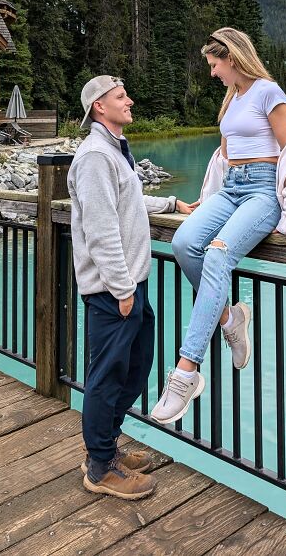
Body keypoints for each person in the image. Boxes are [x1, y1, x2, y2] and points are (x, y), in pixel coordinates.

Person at [151, 27, 286, 424]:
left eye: (214, 63)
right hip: (231, 191)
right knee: (185, 244)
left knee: (218, 255)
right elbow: (223, 158)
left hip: (261, 193)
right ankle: (229, 319)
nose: (212, 72)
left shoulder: (269, 93)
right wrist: (209, 198)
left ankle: (185, 374)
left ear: (233, 59)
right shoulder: (232, 100)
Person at [68, 75, 196, 498]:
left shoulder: (114, 151)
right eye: (121, 97)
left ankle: (107, 446)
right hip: (112, 290)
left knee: (136, 366)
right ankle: (100, 466)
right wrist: (122, 290)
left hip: (128, 286)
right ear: (99, 107)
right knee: (107, 376)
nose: (130, 101)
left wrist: (171, 204)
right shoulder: (94, 157)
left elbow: (127, 201)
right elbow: (102, 230)